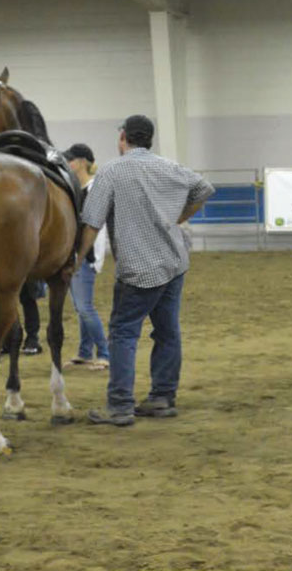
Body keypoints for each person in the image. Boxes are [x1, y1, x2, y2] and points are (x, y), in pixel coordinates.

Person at [81, 115, 214, 426]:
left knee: (124, 333)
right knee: (167, 331)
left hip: (139, 268)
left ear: (124, 137)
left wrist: (76, 260)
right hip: (174, 261)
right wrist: (179, 217)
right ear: (150, 138)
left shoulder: (112, 171)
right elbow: (205, 188)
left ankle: (120, 405)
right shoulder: (167, 166)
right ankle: (162, 397)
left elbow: (91, 223)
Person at [62, 142, 109, 370]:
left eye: (70, 160)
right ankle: (84, 351)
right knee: (80, 307)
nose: (67, 164)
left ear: (82, 162)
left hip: (86, 256)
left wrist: (88, 257)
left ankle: (104, 353)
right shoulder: (77, 191)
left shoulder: (93, 189)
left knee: (85, 307)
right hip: (75, 255)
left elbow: (95, 227)